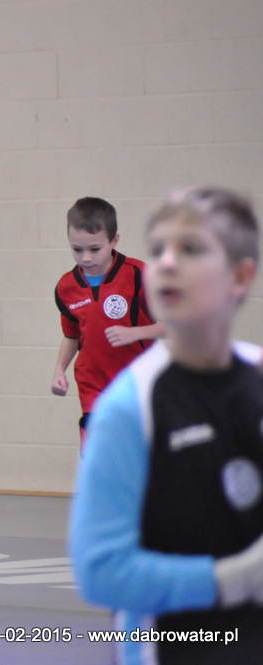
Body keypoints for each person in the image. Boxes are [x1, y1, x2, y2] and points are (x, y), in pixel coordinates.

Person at [70, 186, 263, 664]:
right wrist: (232, 579)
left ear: (241, 275)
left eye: (191, 249)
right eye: (158, 250)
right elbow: (101, 571)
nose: (168, 263)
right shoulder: (128, 407)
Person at [51, 196, 163, 445]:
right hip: (93, 383)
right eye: (77, 249)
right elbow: (71, 336)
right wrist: (60, 370)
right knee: (96, 451)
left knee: (138, 454)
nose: (85, 258)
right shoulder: (66, 288)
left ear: (114, 240)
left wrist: (136, 332)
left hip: (136, 380)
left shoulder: (138, 275)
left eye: (94, 249)